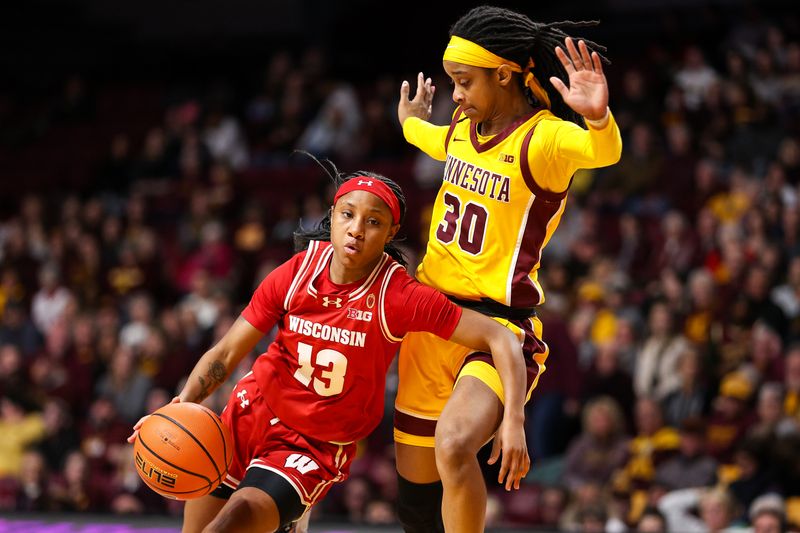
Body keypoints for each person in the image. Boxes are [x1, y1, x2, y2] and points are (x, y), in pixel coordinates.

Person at [128, 162, 530, 533]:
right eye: (348, 215)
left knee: (233, 522)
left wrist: (512, 420)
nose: (357, 229)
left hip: (312, 443)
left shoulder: (399, 296)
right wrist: (179, 405)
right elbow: (226, 352)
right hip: (250, 411)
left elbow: (501, 336)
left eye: (373, 222)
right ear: (332, 217)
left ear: (390, 233)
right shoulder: (297, 270)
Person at [395, 5, 622, 532]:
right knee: (415, 502)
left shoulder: (542, 140)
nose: (455, 95)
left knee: (453, 444)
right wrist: (409, 122)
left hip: (497, 326)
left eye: (464, 82)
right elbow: (429, 138)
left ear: (503, 74)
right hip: (429, 322)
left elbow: (602, 152)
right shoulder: (459, 126)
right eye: (452, 83)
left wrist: (596, 116)